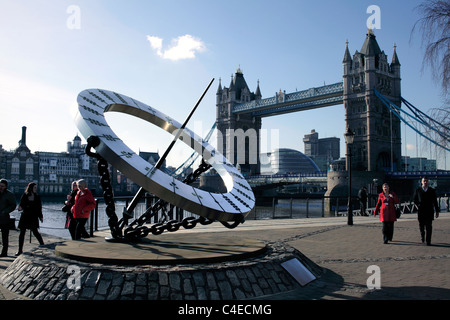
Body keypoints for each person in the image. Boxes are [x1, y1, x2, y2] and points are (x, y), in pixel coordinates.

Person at [16, 182, 44, 255]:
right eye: (34, 187)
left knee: (35, 232)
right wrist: (20, 208)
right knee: (22, 233)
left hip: (33, 216)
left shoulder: (37, 196)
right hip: (25, 216)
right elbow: (21, 205)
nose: (36, 189)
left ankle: (43, 245)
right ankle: (20, 250)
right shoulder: (25, 196)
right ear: (31, 188)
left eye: (36, 187)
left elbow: (39, 207)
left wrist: (40, 216)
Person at [413, 177, 440, 246]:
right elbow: (414, 199)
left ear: (428, 182)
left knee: (429, 226)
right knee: (421, 226)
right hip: (421, 211)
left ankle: (428, 241)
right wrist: (418, 205)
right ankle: (422, 236)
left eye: (426, 181)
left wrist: (437, 211)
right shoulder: (418, 190)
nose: (425, 182)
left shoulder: (431, 190)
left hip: (429, 211)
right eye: (424, 181)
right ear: (421, 182)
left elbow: (435, 201)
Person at [0, 179, 16, 257]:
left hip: (4, 217)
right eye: (0, 186)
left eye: (2, 186)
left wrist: (5, 211)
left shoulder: (9, 194)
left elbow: (13, 205)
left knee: (5, 236)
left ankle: (4, 253)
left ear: (6, 186)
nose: (1, 187)